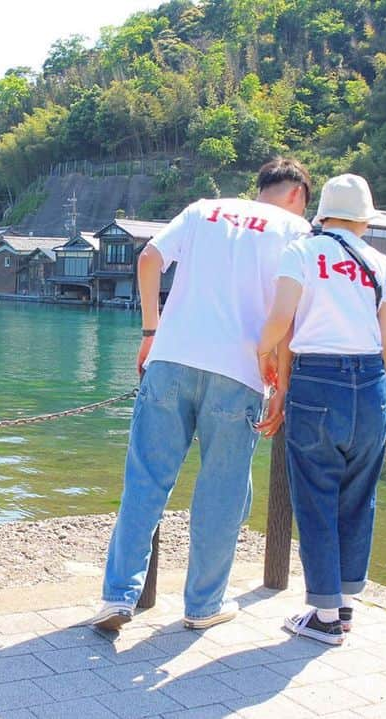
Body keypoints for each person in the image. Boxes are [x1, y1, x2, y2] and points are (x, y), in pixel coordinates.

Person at [91, 158, 314, 632]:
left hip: (170, 358)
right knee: (221, 491)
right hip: (240, 372)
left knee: (146, 482)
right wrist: (283, 387)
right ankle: (202, 606)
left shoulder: (204, 210)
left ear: (262, 188)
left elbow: (148, 259)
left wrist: (151, 331)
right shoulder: (297, 231)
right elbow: (288, 316)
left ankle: (117, 597)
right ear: (299, 195)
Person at [255, 173, 386, 645]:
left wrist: (263, 353)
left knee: (316, 497)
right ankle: (346, 605)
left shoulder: (302, 252)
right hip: (372, 387)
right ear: (365, 218)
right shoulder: (380, 263)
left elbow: (281, 321)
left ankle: (322, 616)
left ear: (324, 214)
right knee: (358, 498)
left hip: (317, 382)